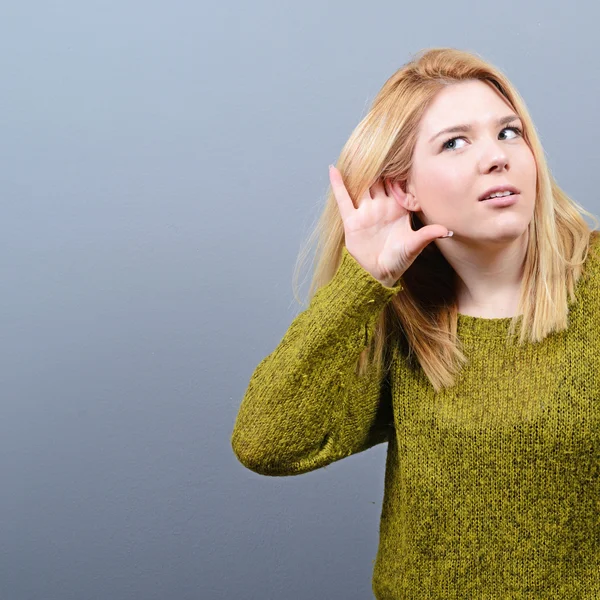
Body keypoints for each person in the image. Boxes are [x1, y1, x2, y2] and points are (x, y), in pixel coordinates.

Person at [230, 47, 600, 598]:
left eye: (509, 132)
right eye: (455, 142)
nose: (497, 157)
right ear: (404, 189)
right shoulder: (398, 314)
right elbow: (267, 442)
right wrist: (361, 284)